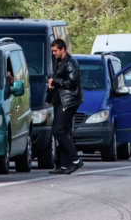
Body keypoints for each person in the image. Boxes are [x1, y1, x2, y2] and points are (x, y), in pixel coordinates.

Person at [47, 38, 83, 175]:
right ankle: (63, 164)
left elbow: (71, 82)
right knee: (63, 132)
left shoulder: (71, 63)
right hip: (59, 101)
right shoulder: (60, 62)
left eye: (55, 51)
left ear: (63, 49)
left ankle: (75, 160)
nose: (54, 53)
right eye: (52, 51)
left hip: (68, 102)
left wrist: (54, 81)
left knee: (59, 130)